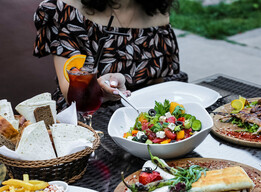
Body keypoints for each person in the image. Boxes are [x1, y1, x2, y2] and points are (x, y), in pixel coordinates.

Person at [33, 0, 182, 111]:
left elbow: (160, 82)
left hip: (140, 114)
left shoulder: (156, 9)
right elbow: (72, 94)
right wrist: (101, 88)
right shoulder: (64, 9)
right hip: (87, 116)